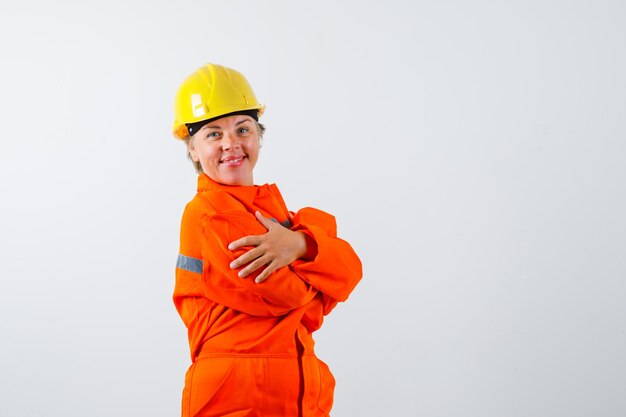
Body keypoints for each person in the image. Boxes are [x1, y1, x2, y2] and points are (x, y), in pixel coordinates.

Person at [172, 63, 362, 417]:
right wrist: (320, 264)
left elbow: (352, 270)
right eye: (213, 134)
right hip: (236, 396)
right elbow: (286, 295)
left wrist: (300, 245)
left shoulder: (273, 213)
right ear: (193, 149)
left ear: (258, 136)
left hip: (297, 393)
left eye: (242, 129)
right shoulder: (208, 213)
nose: (231, 144)